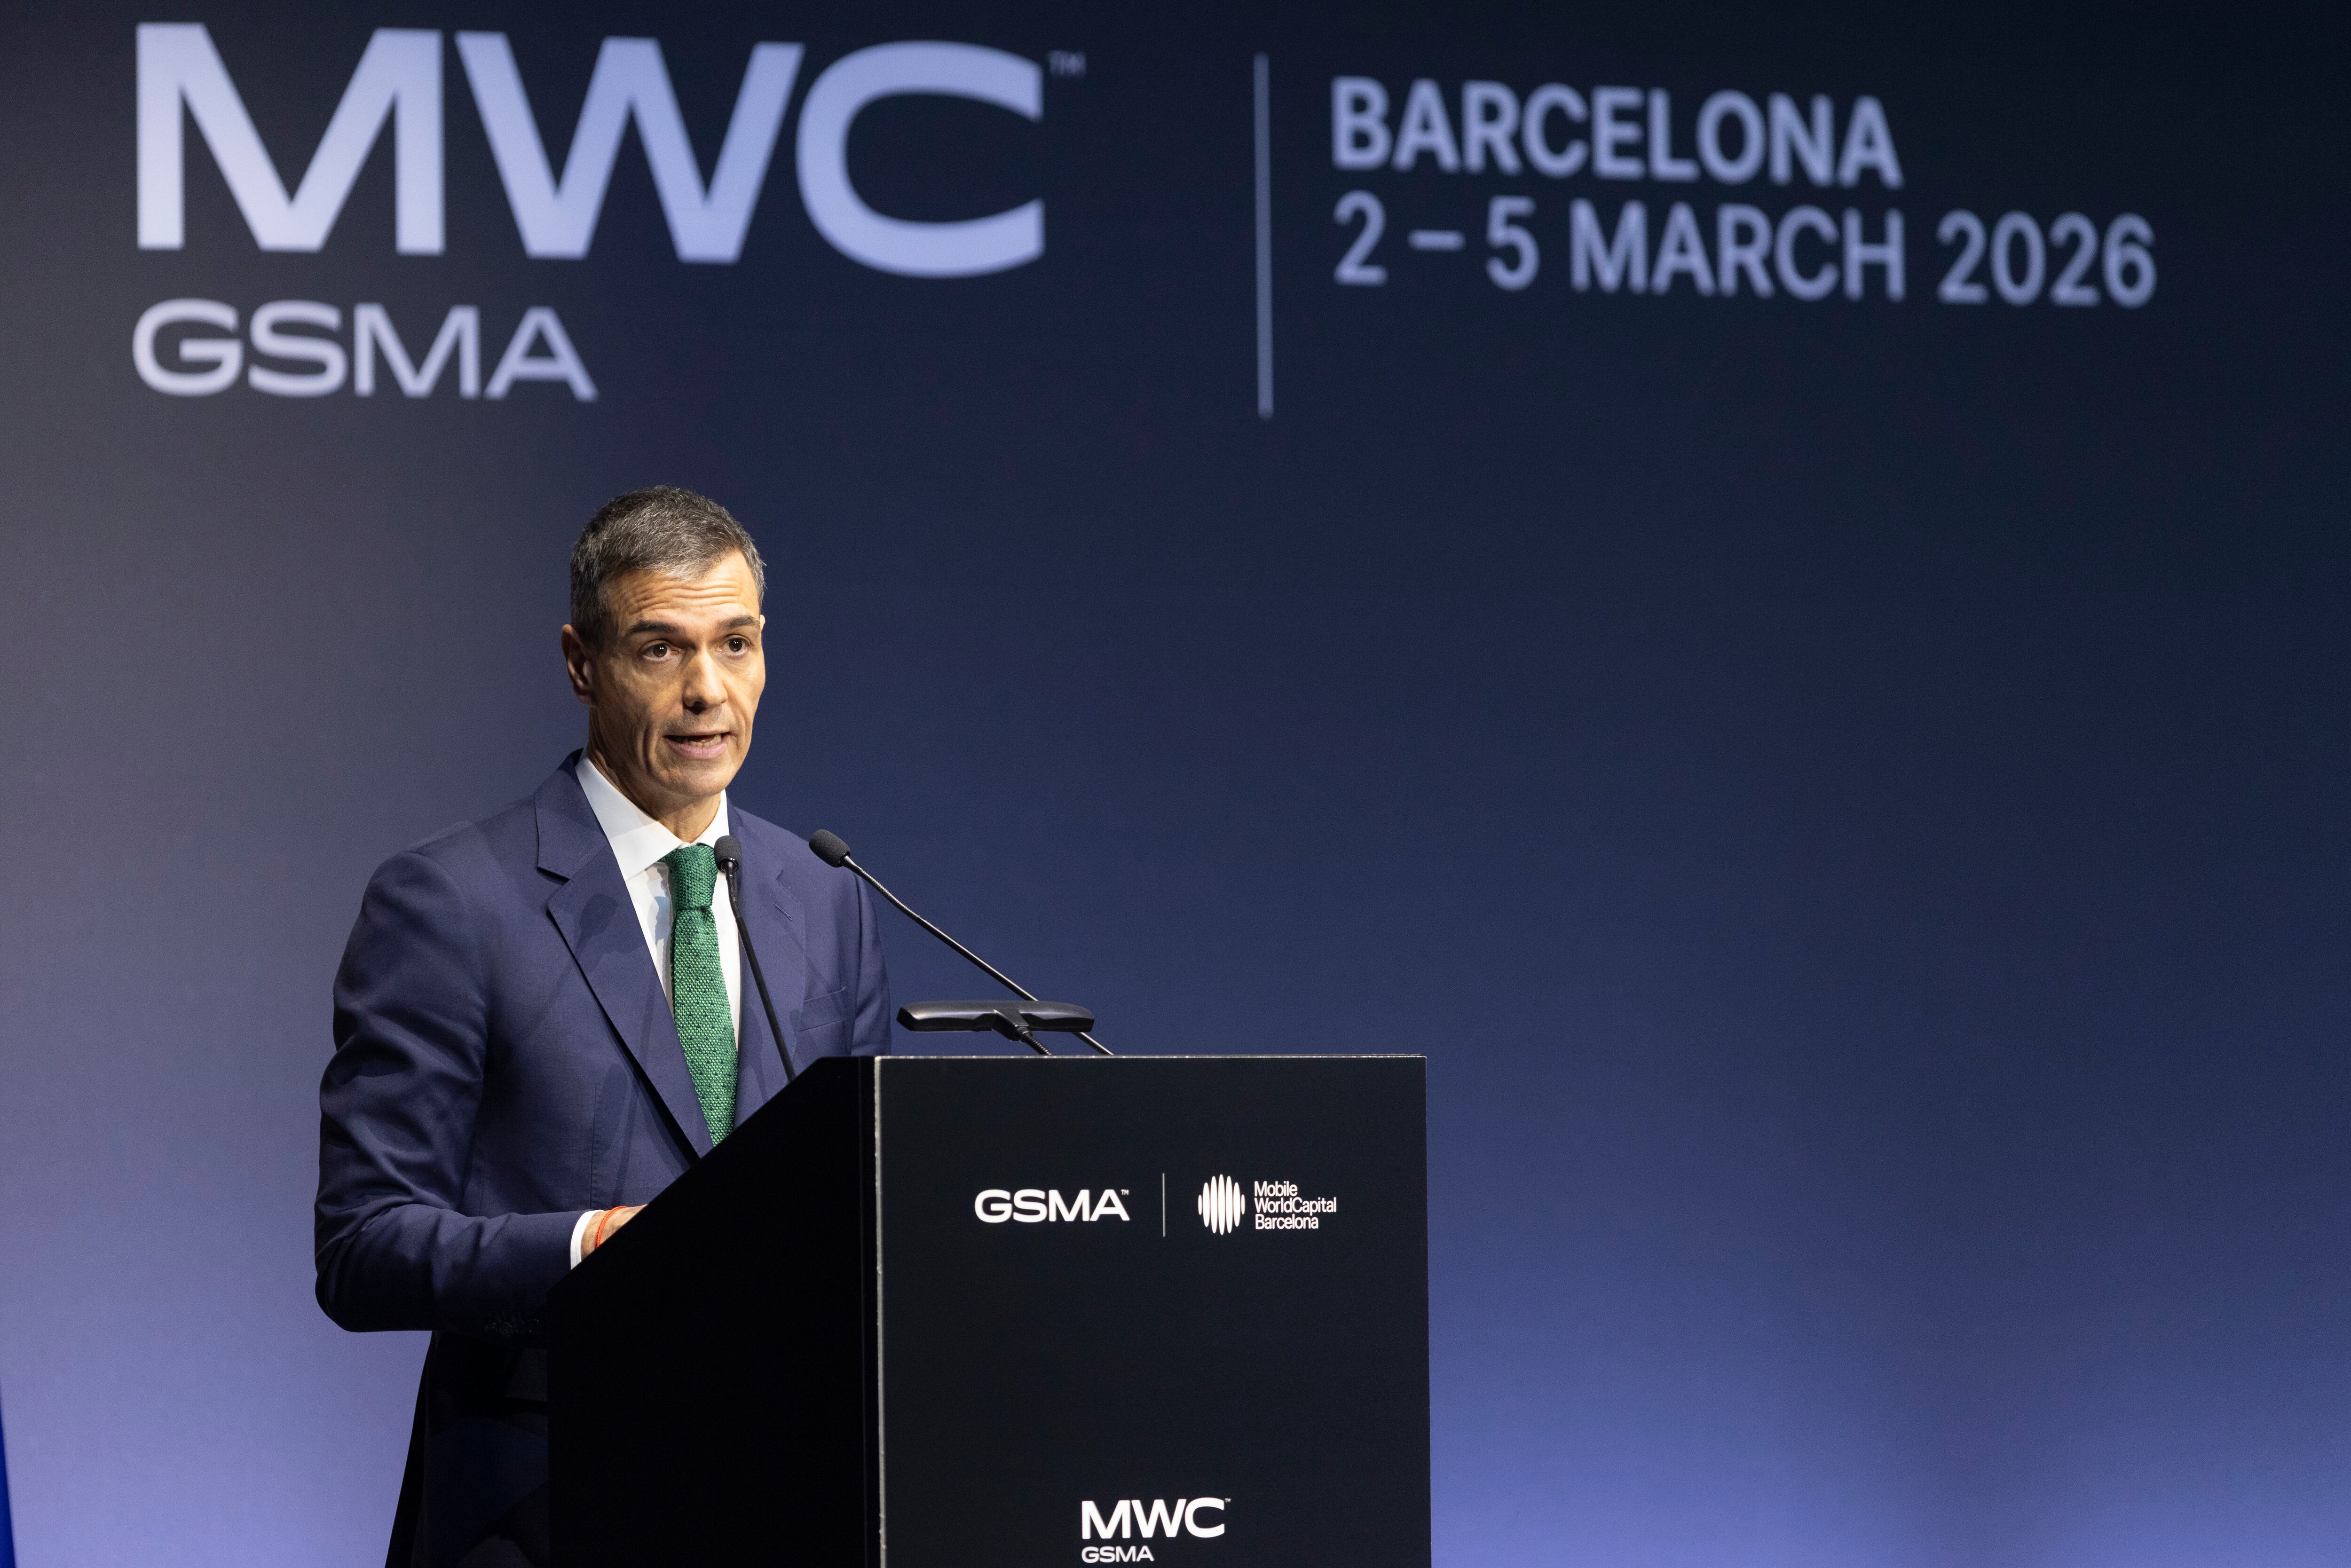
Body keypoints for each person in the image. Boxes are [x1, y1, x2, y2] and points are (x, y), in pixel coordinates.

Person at [315, 487, 893, 1568]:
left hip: (789, 1498)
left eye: (736, 643)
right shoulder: (449, 902)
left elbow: (852, 1220)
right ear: (581, 663)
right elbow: (363, 1249)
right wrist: (590, 1249)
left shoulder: (826, 898)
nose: (706, 692)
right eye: (659, 649)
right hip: (545, 1507)